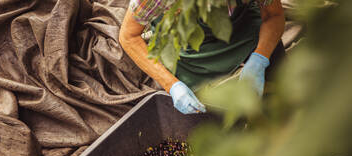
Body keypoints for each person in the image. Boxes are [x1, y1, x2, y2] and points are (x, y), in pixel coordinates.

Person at [119, 0, 285, 114]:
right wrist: (172, 85)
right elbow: (128, 36)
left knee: (279, 103)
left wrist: (260, 58)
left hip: (244, 31)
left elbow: (273, 15)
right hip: (190, 52)